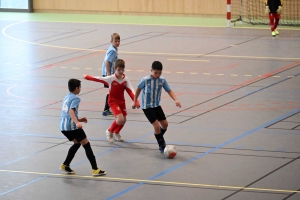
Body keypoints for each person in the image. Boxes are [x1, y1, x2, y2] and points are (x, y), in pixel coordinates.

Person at [84, 59, 140, 143]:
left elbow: (131, 91)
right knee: (120, 119)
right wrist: (88, 77)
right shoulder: (111, 78)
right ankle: (109, 131)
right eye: (118, 70)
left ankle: (116, 132)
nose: (121, 71)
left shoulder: (125, 80)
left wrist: (136, 102)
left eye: (122, 70)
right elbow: (99, 79)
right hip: (113, 102)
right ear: (115, 69)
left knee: (124, 120)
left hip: (121, 102)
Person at [132, 61, 181, 153]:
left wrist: (176, 100)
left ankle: (159, 136)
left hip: (156, 105)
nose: (157, 75)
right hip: (147, 107)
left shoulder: (162, 80)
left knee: (165, 125)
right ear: (151, 70)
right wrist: (135, 101)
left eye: (159, 73)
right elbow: (138, 89)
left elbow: (169, 90)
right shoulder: (145, 80)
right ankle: (161, 144)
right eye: (155, 73)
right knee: (156, 126)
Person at [59, 79, 106, 176]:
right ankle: (95, 169)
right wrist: (77, 122)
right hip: (72, 126)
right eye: (80, 87)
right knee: (86, 144)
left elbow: (66, 113)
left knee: (77, 143)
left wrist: (80, 119)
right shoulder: (76, 98)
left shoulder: (66, 97)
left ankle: (65, 164)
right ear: (76, 88)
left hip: (63, 126)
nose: (80, 89)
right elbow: (71, 111)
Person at [102, 33, 120, 116]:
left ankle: (112, 106)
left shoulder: (114, 49)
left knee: (113, 91)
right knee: (111, 91)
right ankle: (106, 109)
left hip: (111, 73)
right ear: (111, 41)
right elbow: (107, 62)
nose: (117, 42)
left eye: (118, 41)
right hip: (108, 74)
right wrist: (109, 74)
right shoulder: (112, 50)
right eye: (115, 41)